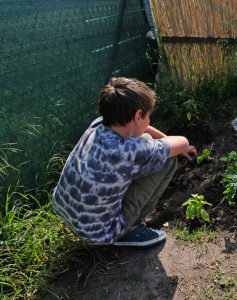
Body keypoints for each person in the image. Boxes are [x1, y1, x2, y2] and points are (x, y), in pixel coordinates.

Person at [52, 77, 197, 247]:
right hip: (99, 233)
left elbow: (144, 129)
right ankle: (130, 230)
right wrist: (178, 148)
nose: (149, 120)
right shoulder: (129, 152)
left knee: (146, 137)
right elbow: (183, 142)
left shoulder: (98, 125)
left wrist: (164, 139)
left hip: (65, 210)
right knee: (169, 160)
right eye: (148, 116)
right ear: (137, 116)